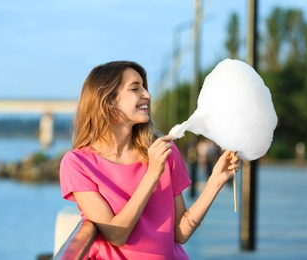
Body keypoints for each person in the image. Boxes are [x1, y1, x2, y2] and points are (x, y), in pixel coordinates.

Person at [59, 61, 240, 259]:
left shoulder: (163, 151)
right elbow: (116, 235)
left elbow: (180, 233)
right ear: (108, 100)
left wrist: (216, 181)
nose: (147, 94)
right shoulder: (77, 163)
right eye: (135, 88)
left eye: (144, 87)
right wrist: (153, 173)